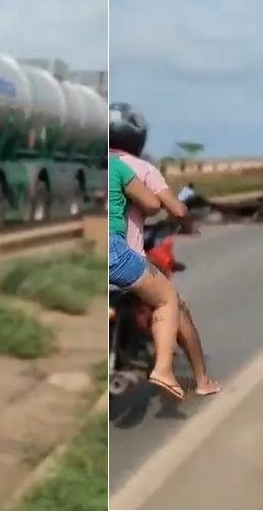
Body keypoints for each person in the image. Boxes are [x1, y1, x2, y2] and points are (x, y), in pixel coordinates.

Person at [109, 104, 220, 397]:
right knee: (172, 303)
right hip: (123, 257)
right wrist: (186, 224)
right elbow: (165, 206)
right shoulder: (141, 169)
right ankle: (194, 378)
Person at [108, 152, 185, 401]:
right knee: (166, 297)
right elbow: (153, 205)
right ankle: (162, 370)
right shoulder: (119, 167)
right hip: (115, 252)